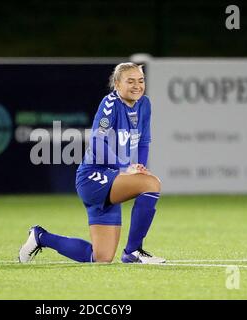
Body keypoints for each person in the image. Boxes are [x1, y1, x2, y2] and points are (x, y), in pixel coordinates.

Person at [19, 62, 165, 264]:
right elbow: (97, 143)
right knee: (152, 184)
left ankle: (40, 237)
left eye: (141, 81)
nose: (137, 86)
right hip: (93, 177)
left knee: (101, 257)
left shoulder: (144, 104)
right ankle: (134, 251)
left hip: (113, 178)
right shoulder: (110, 104)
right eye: (130, 81)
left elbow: (143, 141)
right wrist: (125, 166)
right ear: (116, 84)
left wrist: (138, 166)